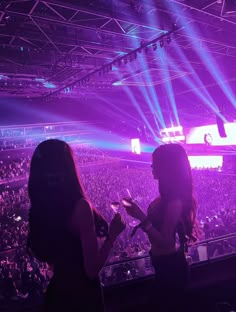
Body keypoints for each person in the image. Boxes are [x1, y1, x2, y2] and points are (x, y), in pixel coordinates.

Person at [27, 139, 125, 312]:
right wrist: (113, 235)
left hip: (57, 294)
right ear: (68, 167)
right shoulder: (80, 207)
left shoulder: (42, 207)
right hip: (82, 297)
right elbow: (91, 270)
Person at [124, 143, 198, 311]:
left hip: (170, 269)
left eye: (155, 162)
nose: (151, 165)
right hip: (164, 266)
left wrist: (141, 216)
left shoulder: (175, 202)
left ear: (167, 167)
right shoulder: (166, 198)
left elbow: (166, 242)